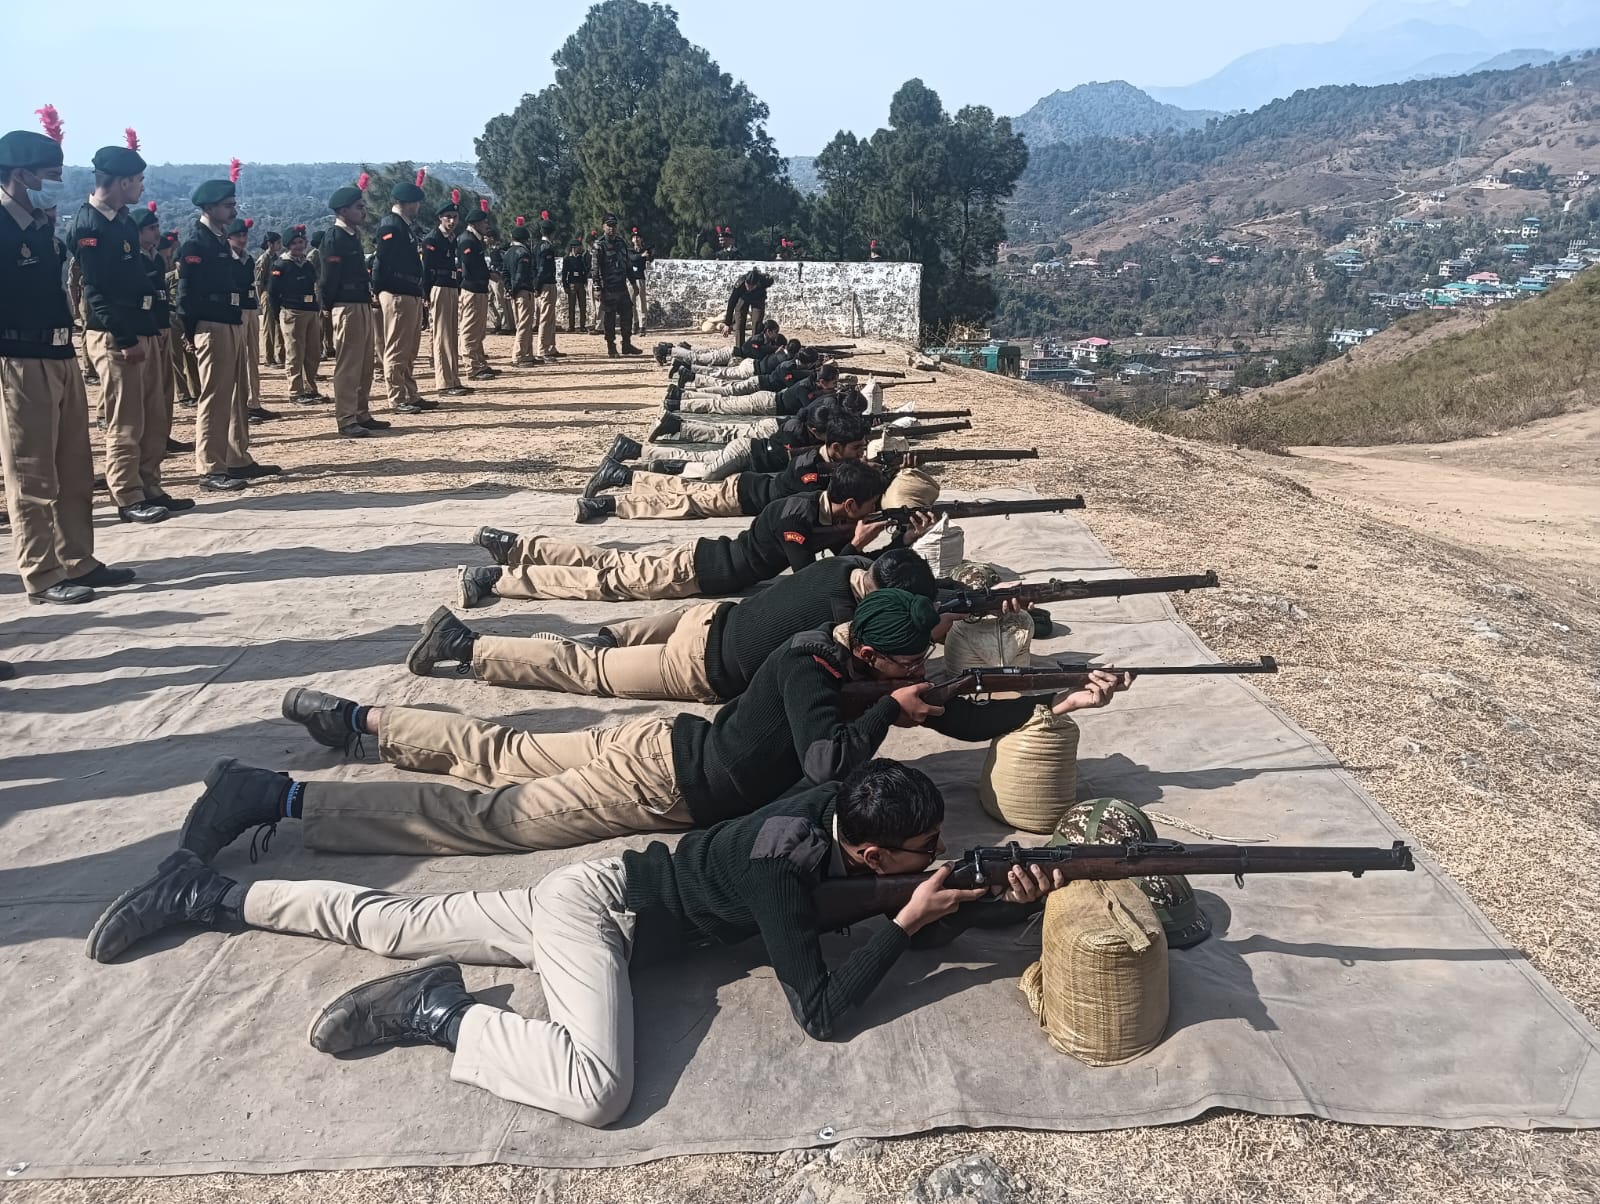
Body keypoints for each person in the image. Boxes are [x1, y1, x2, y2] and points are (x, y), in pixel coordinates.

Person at [86, 758, 1066, 1127]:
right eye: (919, 854)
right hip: (600, 920)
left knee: (387, 921)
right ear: (867, 847)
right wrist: (906, 921)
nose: (935, 858)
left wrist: (997, 898)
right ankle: (441, 1012)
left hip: (591, 892)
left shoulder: (837, 805)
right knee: (596, 1090)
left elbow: (895, 898)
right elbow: (820, 1011)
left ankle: (208, 892)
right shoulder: (781, 864)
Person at [407, 545, 936, 701]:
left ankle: (597, 639)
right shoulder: (845, 619)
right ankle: (466, 645)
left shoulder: (843, 566)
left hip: (709, 618)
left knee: (608, 641)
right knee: (589, 671)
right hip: (699, 665)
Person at [457, 460, 900, 604]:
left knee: (609, 561)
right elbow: (808, 578)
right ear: (849, 506)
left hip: (702, 559)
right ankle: (496, 578)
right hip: (697, 572)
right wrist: (855, 543)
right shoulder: (796, 517)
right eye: (868, 508)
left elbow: (828, 552)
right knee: (603, 581)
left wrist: (889, 540)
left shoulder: (813, 511)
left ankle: (515, 546)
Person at [0, 126, 132, 604]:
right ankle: (41, 572)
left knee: (74, 467)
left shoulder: (39, 225)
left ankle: (77, 559)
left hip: (60, 352)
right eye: (48, 172)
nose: (55, 181)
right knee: (32, 474)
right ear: (20, 174)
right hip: (19, 357)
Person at [74, 138, 171, 524]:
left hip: (141, 327)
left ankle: (150, 485)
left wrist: (150, 327)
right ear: (121, 181)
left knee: (153, 417)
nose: (142, 187)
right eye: (139, 180)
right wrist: (127, 338)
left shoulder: (124, 221)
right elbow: (96, 291)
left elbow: (136, 281)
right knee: (126, 419)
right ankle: (127, 495)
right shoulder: (90, 224)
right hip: (116, 334)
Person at [584, 408, 870, 523]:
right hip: (740, 493)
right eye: (856, 449)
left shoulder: (819, 461)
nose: (861, 454)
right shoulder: (809, 464)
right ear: (835, 448)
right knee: (681, 498)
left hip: (746, 486)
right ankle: (614, 491)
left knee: (686, 485)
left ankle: (623, 470)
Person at [177, 178, 276, 492]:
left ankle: (236, 457)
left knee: (236, 395)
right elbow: (185, 295)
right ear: (209, 207)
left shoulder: (219, 241)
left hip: (230, 322)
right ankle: (210, 467)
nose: (233, 211)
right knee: (215, 397)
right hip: (211, 325)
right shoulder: (196, 244)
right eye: (228, 206)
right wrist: (190, 332)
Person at [321, 177, 384, 439]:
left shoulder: (352, 235)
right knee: (348, 364)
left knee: (365, 363)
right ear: (343, 210)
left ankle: (361, 412)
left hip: (360, 302)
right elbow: (329, 277)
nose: (363, 211)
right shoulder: (335, 237)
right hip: (345, 305)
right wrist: (327, 305)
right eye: (359, 207)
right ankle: (346, 417)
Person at [135, 207, 191, 464]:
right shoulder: (133, 259)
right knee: (146, 390)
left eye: (157, 227)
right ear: (138, 232)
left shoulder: (156, 259)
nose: (157, 233)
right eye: (151, 229)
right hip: (146, 330)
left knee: (165, 388)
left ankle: (163, 436)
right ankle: (146, 440)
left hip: (163, 326)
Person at [373, 176, 430, 416]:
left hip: (410, 290)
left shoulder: (404, 226)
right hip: (396, 291)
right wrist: (378, 289)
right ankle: (396, 397)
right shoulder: (391, 225)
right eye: (416, 202)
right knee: (397, 347)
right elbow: (381, 259)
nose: (418, 207)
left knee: (409, 348)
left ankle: (410, 393)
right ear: (406, 203)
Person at [228, 218, 274, 425]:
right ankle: (240, 406)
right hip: (235, 311)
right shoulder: (225, 259)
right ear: (228, 238)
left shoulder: (248, 259)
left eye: (244, 235)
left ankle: (254, 402)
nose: (242, 239)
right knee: (237, 360)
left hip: (250, 308)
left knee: (253, 357)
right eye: (238, 236)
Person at [269, 226, 322, 402]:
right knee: (295, 353)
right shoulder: (281, 265)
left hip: (310, 310)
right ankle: (296, 391)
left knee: (313, 353)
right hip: (292, 311)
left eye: (301, 242)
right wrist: (278, 315)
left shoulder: (307, 264)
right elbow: (273, 293)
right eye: (295, 243)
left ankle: (310, 388)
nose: (299, 246)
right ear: (288, 245)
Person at [422, 194, 468, 397]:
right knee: (441, 335)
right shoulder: (433, 239)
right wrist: (425, 293)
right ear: (440, 218)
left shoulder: (451, 239)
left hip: (450, 285)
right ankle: (444, 382)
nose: (452, 221)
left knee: (451, 334)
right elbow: (427, 268)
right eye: (448, 217)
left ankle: (453, 378)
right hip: (438, 286)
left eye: (455, 217)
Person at [457, 201, 497, 380]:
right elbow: (470, 266)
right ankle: (472, 367)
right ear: (475, 224)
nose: (486, 225)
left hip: (479, 289)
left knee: (479, 330)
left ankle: (480, 363)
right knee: (470, 330)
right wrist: (488, 274)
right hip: (472, 288)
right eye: (484, 222)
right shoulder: (467, 240)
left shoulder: (476, 240)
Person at [594, 214, 641, 357]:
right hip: (608, 288)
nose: (612, 228)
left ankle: (626, 344)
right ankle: (611, 346)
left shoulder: (621, 243)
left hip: (622, 286)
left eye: (614, 226)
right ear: (603, 226)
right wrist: (597, 287)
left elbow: (628, 264)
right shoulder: (599, 245)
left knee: (627, 314)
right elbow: (595, 268)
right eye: (609, 225)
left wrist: (633, 283)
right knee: (610, 318)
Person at [503, 218, 538, 366]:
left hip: (514, 292)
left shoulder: (507, 253)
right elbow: (520, 274)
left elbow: (505, 273)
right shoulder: (523, 253)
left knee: (522, 324)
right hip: (523, 291)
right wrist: (515, 288)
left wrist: (508, 289)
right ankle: (519, 355)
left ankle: (528, 353)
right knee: (524, 324)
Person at [724, 268, 773, 349]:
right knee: (739, 321)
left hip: (758, 298)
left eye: (751, 286)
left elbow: (771, 281)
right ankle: (740, 348)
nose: (749, 288)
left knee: (757, 323)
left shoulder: (763, 281)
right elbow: (732, 302)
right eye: (747, 285)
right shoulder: (740, 284)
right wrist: (727, 323)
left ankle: (754, 347)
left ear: (756, 284)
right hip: (743, 297)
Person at [533, 217, 561, 359]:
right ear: (552, 233)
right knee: (545, 318)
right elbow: (542, 269)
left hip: (543, 284)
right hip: (546, 284)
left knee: (550, 317)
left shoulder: (537, 246)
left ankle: (550, 346)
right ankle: (543, 349)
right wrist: (538, 286)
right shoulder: (547, 248)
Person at [255, 230, 282, 367]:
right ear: (270, 244)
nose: (280, 245)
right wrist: (261, 298)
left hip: (276, 293)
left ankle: (280, 355)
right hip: (267, 293)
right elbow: (258, 281)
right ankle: (268, 357)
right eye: (277, 243)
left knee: (278, 325)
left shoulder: (276, 258)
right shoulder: (264, 259)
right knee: (269, 326)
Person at [628, 227, 652, 335]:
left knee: (641, 302)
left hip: (640, 278)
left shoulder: (644, 251)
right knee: (631, 303)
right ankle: (635, 323)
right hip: (631, 279)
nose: (636, 239)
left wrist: (648, 254)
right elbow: (632, 258)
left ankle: (643, 326)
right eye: (634, 238)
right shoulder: (630, 251)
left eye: (638, 237)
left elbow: (650, 260)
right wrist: (642, 255)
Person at [562, 238, 589, 332]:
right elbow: (564, 273)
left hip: (580, 283)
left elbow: (585, 270)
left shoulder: (581, 258)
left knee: (583, 305)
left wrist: (585, 281)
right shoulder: (567, 258)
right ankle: (571, 326)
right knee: (571, 306)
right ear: (573, 248)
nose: (580, 249)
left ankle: (582, 325)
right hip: (572, 283)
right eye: (578, 247)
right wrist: (565, 285)